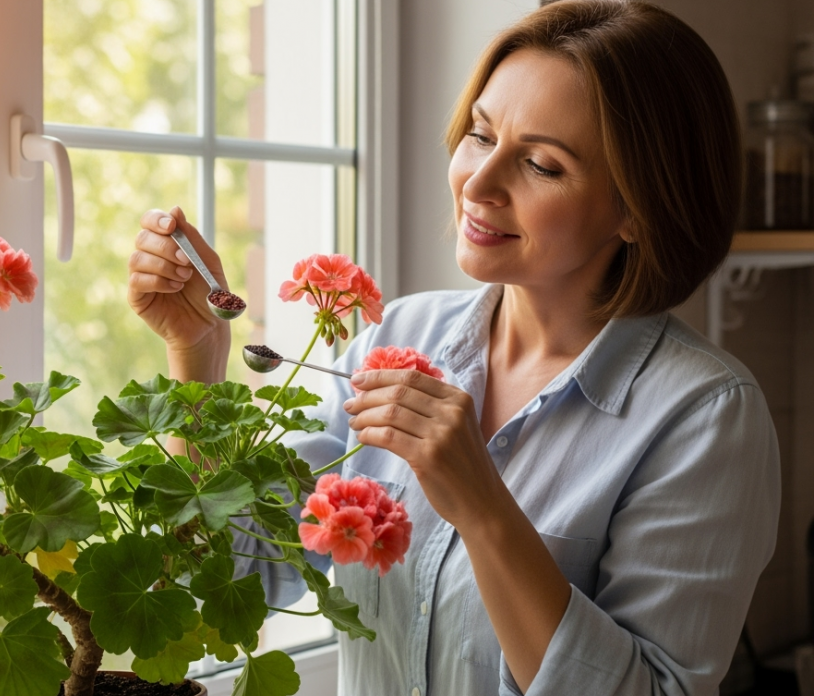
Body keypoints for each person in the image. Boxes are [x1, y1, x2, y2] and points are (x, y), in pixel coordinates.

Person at [125, 1, 781, 694]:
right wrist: (196, 356)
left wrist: (482, 507)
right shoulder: (398, 337)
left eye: (541, 165)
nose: (478, 181)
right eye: (480, 134)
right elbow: (239, 571)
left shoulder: (706, 419)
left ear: (636, 209)